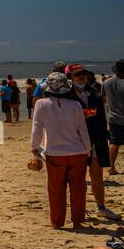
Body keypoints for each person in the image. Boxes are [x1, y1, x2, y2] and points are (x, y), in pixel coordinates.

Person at [29, 72, 92, 228]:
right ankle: (77, 221)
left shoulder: (41, 104)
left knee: (56, 189)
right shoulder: (75, 105)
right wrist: (88, 149)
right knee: (78, 189)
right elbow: (82, 130)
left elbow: (37, 128)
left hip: (55, 154)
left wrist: (34, 148)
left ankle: (57, 222)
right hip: (78, 152)